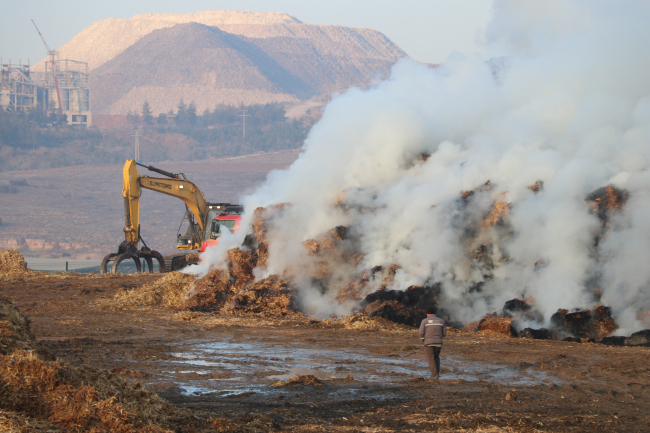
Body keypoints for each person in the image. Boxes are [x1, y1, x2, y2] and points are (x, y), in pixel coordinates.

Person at [419, 307, 447, 380]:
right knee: (436, 357)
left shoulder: (424, 321)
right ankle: (437, 373)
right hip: (439, 343)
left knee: (431, 358)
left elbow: (421, 332)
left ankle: (434, 375)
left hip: (428, 343)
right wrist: (440, 338)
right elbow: (444, 333)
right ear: (434, 313)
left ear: (427, 314)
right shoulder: (441, 321)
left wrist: (423, 340)